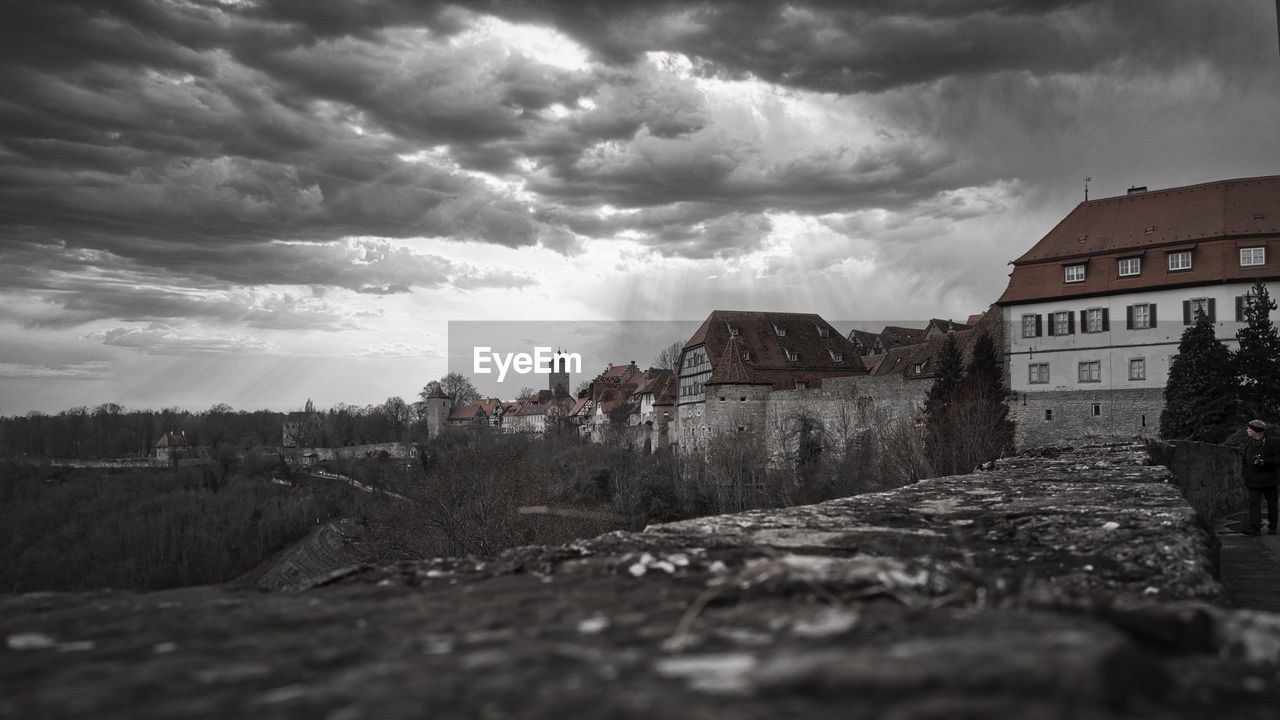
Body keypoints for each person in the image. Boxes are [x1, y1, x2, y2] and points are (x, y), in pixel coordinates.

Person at [1242, 419, 1278, 536]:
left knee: (1272, 504)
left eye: (1249, 428)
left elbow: (1279, 458)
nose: (1247, 430)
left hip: (1269, 479)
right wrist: (1246, 473)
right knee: (1253, 503)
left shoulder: (1273, 441)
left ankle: (1272, 526)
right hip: (1253, 479)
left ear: (1256, 430)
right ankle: (1254, 528)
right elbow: (1244, 460)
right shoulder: (1249, 443)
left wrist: (1265, 462)